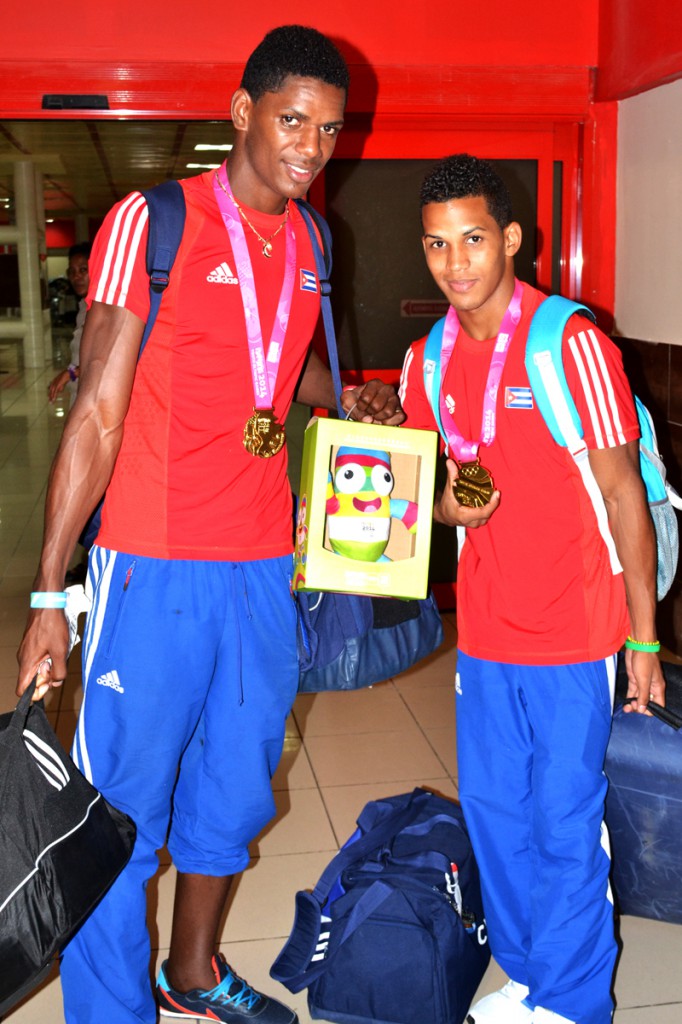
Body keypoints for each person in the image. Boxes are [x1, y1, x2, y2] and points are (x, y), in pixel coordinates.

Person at [16, 25, 403, 1024]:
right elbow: (95, 413)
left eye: (330, 127)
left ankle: (191, 974)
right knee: (123, 813)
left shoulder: (317, 239)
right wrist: (51, 592)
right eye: (292, 120)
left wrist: (349, 396)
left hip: (262, 570)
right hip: (151, 569)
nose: (313, 145)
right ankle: (110, 1009)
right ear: (242, 112)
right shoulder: (154, 223)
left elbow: (292, 365)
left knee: (232, 792)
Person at [398, 154, 664, 1024]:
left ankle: (578, 1000)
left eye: (473, 239)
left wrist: (644, 641)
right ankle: (528, 976)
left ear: (510, 239)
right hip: (486, 633)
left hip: (578, 632)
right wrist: (447, 504)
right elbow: (437, 493)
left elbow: (625, 494)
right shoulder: (426, 360)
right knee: (495, 817)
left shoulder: (568, 342)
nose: (456, 262)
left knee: (563, 823)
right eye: (438, 245)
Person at [48, 241, 91, 404]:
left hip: (94, 399)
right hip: (79, 394)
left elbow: (105, 360)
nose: (76, 277)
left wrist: (70, 374)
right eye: (71, 271)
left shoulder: (104, 309)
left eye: (83, 270)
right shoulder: (83, 306)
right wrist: (71, 372)